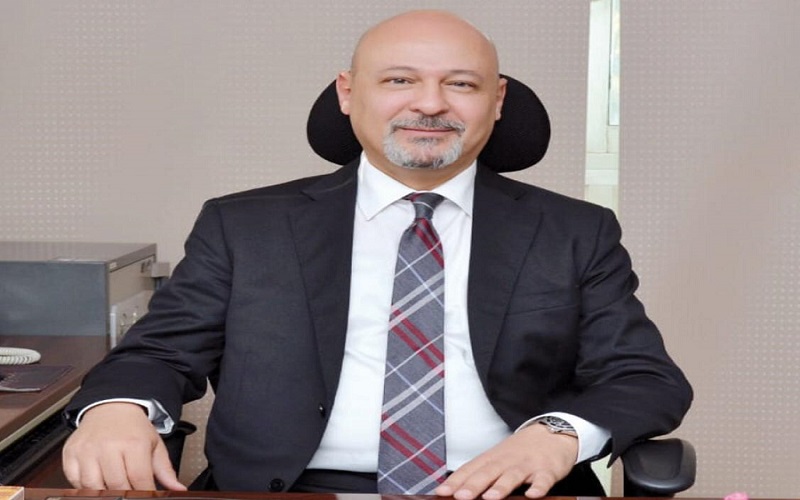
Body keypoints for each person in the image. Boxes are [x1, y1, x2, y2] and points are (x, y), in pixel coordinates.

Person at [62, 9, 692, 499]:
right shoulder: (245, 226)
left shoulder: (573, 231)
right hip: (289, 490)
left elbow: (644, 378)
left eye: (461, 84)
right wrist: (118, 408)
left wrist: (555, 436)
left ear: (497, 101)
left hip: (508, 488)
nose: (430, 103)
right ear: (347, 92)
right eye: (399, 80)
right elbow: (158, 353)